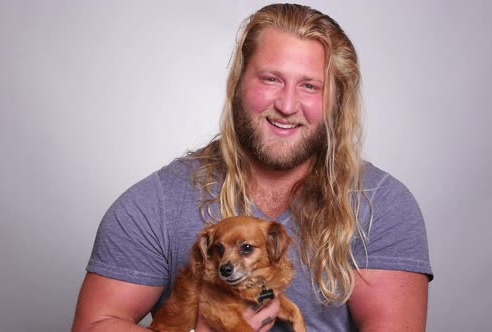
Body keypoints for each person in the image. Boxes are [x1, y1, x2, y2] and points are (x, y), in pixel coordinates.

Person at [72, 3, 433, 331]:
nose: (288, 104)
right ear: (238, 84)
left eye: (310, 86)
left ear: (336, 103)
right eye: (271, 79)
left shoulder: (381, 206)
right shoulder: (156, 203)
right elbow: (95, 325)